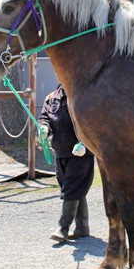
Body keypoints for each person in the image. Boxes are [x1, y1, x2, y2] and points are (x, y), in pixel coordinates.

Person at [38, 84, 95, 242]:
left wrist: (85, 145)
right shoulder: (51, 98)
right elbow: (44, 117)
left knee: (71, 188)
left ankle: (63, 227)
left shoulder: (83, 95)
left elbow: (93, 124)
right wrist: (44, 128)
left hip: (81, 153)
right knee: (73, 189)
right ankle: (82, 227)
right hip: (60, 152)